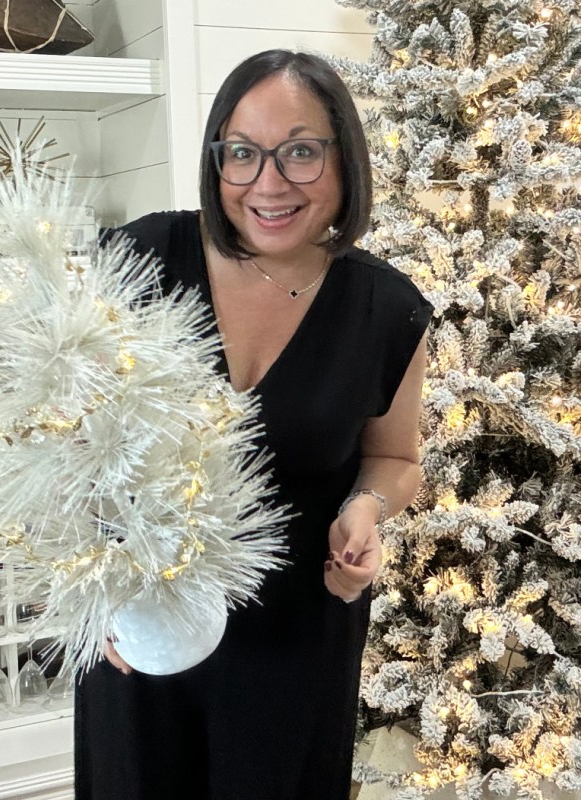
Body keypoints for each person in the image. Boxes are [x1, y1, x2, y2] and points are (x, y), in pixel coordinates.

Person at [74, 49, 433, 799]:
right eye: (243, 153)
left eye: (301, 152)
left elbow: (396, 458)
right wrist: (92, 582)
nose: (268, 183)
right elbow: (60, 439)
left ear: (345, 161)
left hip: (297, 637)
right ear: (218, 161)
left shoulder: (387, 309)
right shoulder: (137, 261)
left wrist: (363, 508)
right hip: (145, 629)